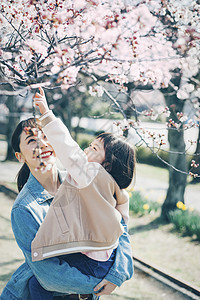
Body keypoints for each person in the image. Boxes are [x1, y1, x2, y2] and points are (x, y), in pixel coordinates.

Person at [0, 109, 134, 300]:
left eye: (46, 136)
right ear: (20, 157)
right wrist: (98, 284)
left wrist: (117, 274)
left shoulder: (83, 182)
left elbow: (119, 228)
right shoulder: (24, 209)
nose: (43, 144)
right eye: (31, 141)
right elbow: (47, 274)